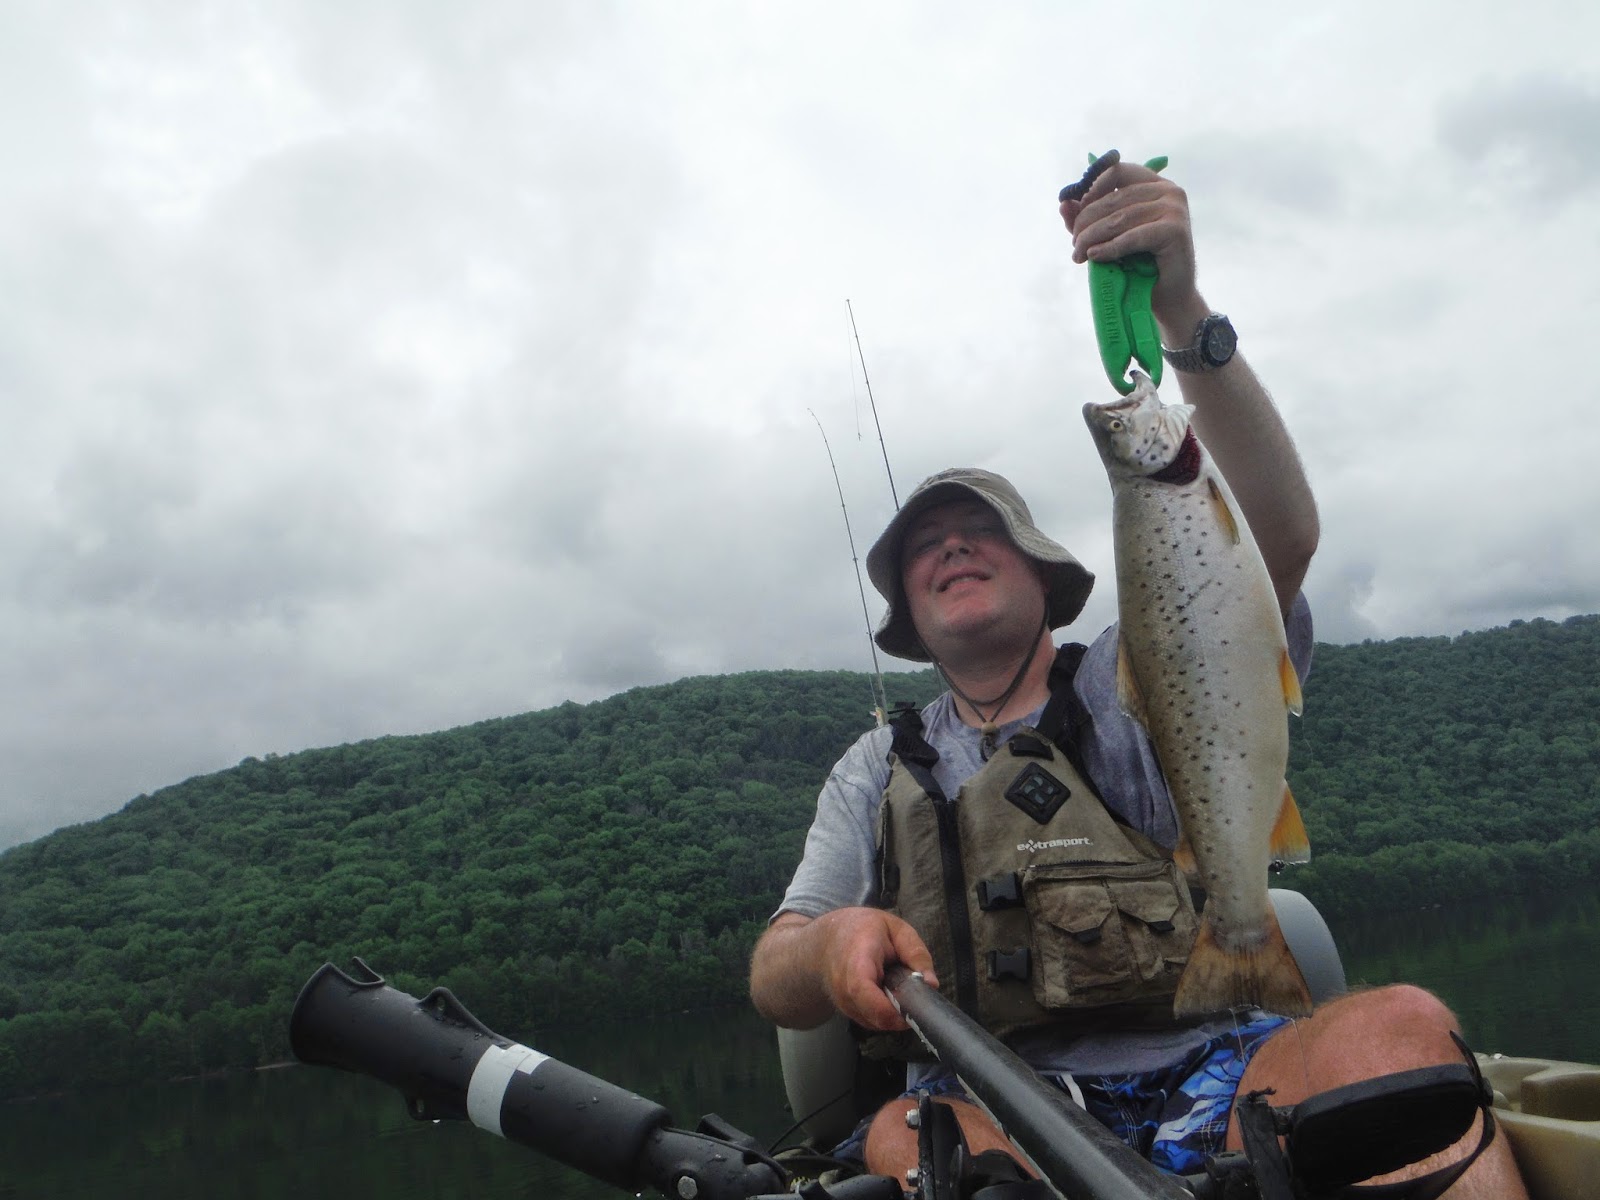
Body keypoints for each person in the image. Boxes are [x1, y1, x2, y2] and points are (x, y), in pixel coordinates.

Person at [748, 159, 1528, 1197]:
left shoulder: (1140, 668)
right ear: (908, 613)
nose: (951, 548)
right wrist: (828, 943)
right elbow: (776, 972)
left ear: (1044, 576)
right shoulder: (871, 768)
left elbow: (1278, 539)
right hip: (987, 1098)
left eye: (981, 532)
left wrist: (1182, 315)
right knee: (916, 1141)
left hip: (1216, 1062)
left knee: (1400, 1028)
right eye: (924, 547)